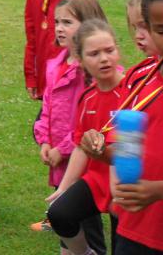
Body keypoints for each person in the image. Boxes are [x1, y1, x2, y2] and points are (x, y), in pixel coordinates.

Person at [91, 0, 163, 255]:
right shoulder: (141, 78)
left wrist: (159, 190)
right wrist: (101, 151)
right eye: (161, 30)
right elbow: (127, 148)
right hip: (135, 226)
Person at [32, 0, 107, 252]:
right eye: (57, 22)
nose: (59, 28)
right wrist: (44, 141)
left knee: (87, 226)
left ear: (88, 25)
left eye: (67, 22)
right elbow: (47, 109)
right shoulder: (56, 64)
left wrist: (62, 149)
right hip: (57, 160)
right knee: (65, 221)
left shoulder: (92, 71)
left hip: (83, 162)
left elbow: (89, 124)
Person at [47, 19, 124, 255]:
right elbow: (81, 146)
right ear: (80, 60)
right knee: (59, 213)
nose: (104, 59)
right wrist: (64, 187)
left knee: (123, 245)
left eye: (109, 50)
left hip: (126, 182)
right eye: (94, 54)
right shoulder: (88, 97)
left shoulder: (133, 91)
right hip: (97, 179)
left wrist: (118, 190)